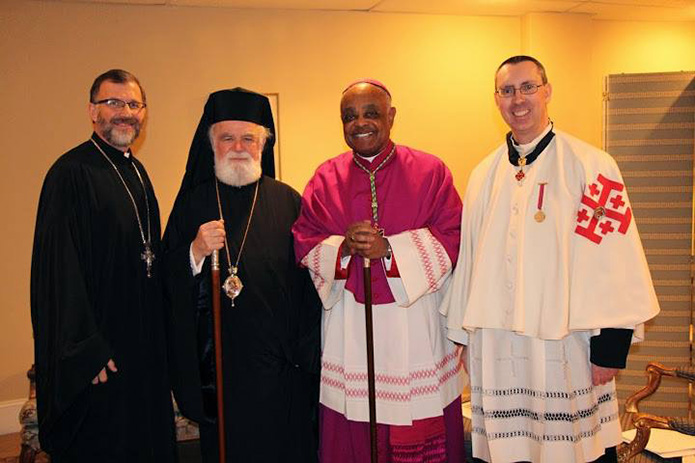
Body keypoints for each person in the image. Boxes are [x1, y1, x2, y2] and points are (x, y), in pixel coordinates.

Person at [442, 55, 661, 463]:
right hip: (500, 348)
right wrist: (465, 340)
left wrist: (610, 348)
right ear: (496, 100)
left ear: (547, 91)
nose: (518, 99)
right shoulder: (482, 175)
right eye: (507, 91)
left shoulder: (592, 166)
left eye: (528, 87)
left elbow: (616, 258)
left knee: (574, 451)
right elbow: (469, 263)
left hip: (568, 349)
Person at [292, 79, 466, 463]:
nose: (360, 123)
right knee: (354, 427)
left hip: (415, 321)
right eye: (349, 117)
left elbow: (454, 236)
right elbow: (304, 240)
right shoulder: (325, 178)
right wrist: (343, 248)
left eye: (371, 113)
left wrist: (391, 249)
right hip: (351, 325)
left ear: (391, 116)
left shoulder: (431, 170)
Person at [163, 88, 321, 463]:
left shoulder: (288, 201)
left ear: (263, 144)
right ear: (211, 143)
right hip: (219, 373)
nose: (238, 146)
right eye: (227, 137)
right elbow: (166, 281)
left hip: (277, 374)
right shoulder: (192, 202)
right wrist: (195, 251)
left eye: (248, 138)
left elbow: (308, 290)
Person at [30, 69, 176, 462]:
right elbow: (60, 270)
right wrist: (84, 350)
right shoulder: (70, 173)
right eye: (114, 103)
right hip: (101, 352)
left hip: (142, 346)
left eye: (133, 104)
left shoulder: (136, 172)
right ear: (93, 111)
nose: (125, 112)